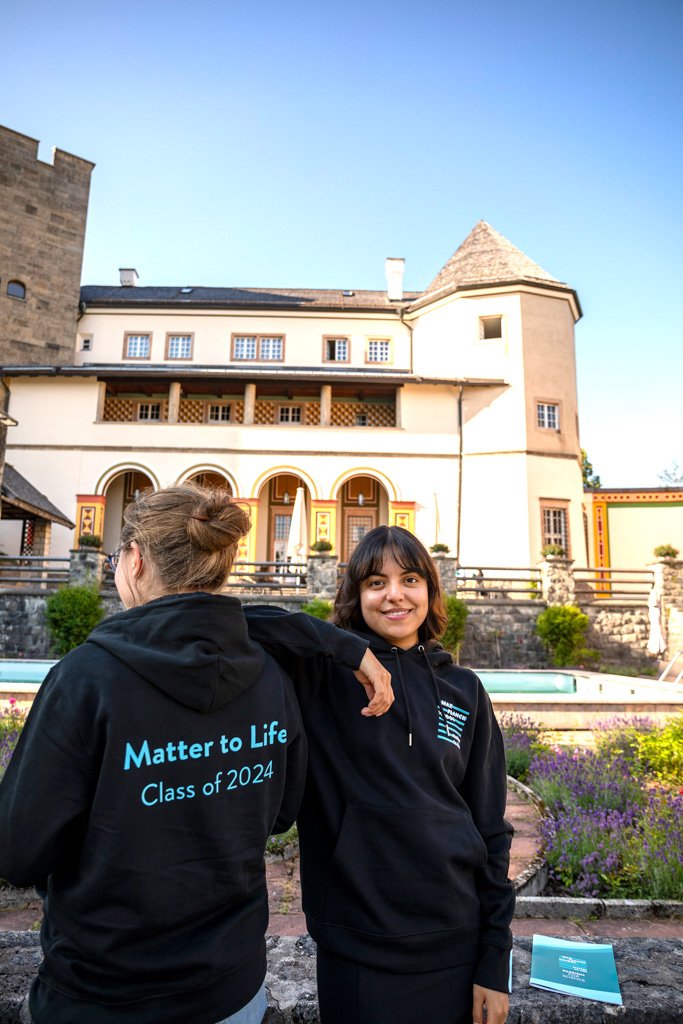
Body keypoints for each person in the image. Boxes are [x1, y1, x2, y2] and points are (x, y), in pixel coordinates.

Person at [0, 483, 316, 1024]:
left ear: (136, 559)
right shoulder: (270, 676)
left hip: (104, 993)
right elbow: (283, 810)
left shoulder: (85, 678)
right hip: (232, 988)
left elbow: (17, 851)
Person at [245, 525, 514, 1024]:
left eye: (410, 579)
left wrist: (495, 959)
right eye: (375, 582)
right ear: (355, 594)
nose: (395, 594)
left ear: (430, 591)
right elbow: (235, 622)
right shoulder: (321, 678)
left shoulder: (464, 689)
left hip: (454, 941)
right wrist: (347, 650)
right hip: (356, 945)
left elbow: (491, 829)